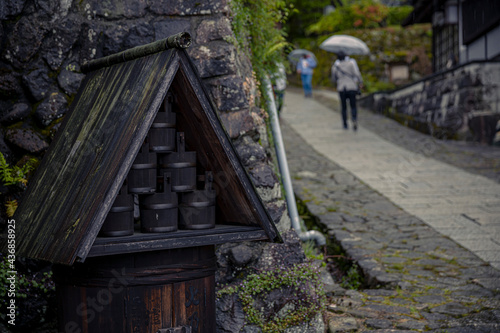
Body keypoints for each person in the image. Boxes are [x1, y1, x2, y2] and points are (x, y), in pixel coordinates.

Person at [331, 51, 363, 131]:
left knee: (343, 107)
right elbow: (357, 74)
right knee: (353, 105)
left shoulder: (335, 66)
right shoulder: (351, 64)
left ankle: (345, 124)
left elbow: (334, 78)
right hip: (351, 86)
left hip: (341, 87)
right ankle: (354, 118)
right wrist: (360, 82)